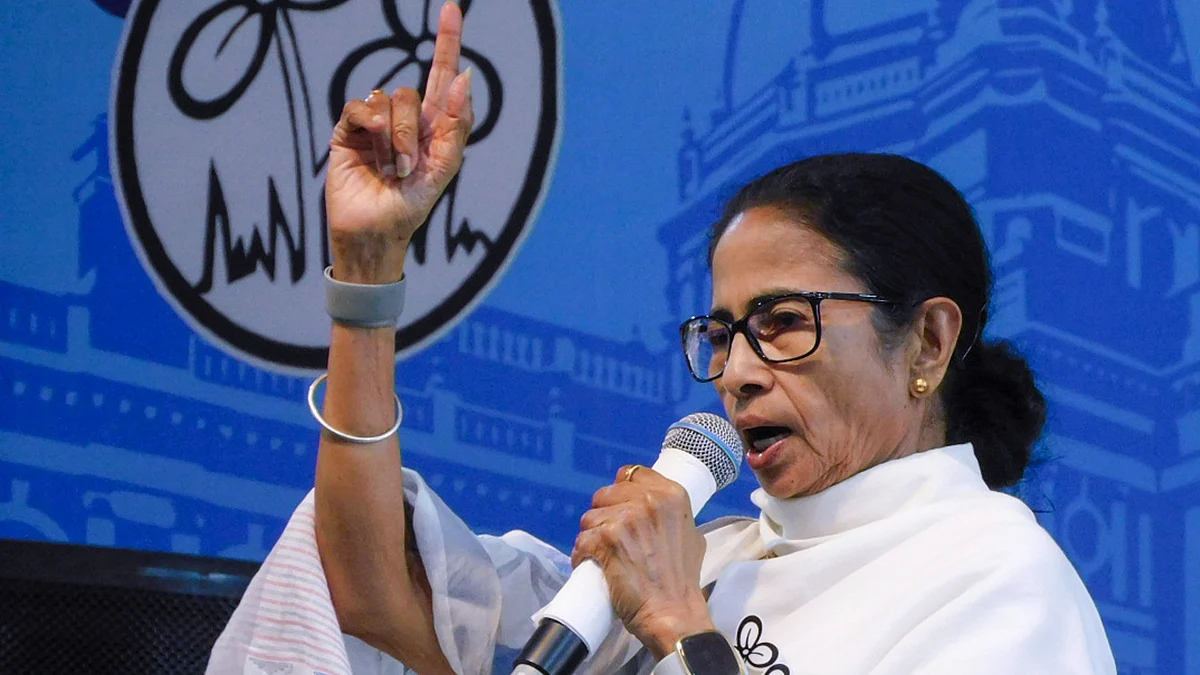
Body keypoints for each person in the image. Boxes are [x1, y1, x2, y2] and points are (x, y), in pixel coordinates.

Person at [208, 4, 1117, 674]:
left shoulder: (998, 582)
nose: (739, 375)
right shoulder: (713, 553)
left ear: (926, 341)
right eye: (723, 334)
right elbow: (372, 596)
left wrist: (682, 624)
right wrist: (367, 276)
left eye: (784, 324)